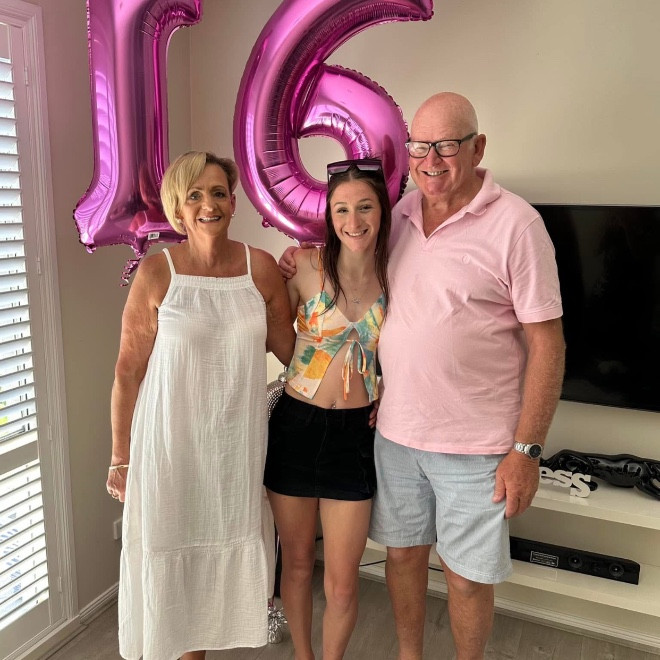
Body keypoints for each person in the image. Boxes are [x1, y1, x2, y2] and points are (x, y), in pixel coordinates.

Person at [280, 93, 566, 660]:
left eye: (448, 145)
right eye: (419, 146)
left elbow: (548, 344)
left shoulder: (517, 224)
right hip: (394, 436)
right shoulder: (401, 216)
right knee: (403, 557)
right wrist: (302, 254)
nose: (431, 160)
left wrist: (527, 450)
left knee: (466, 579)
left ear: (478, 148)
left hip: (478, 447)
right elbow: (352, 252)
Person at [105, 151, 295, 660]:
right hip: (170, 451)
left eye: (217, 193)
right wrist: (120, 456)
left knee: (214, 587)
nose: (208, 204)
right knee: (175, 584)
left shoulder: (260, 269)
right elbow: (127, 372)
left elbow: (292, 352)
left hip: (234, 453)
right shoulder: (157, 272)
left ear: (233, 202)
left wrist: (317, 274)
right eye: (195, 195)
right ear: (178, 209)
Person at [264, 158, 391, 660]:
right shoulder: (304, 266)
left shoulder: (397, 274)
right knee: (296, 564)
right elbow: (272, 335)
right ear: (329, 215)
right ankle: (304, 655)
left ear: (382, 211)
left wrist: (392, 389)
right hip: (296, 428)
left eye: (365, 207)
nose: (353, 221)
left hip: (356, 436)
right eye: (341, 209)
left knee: (342, 582)